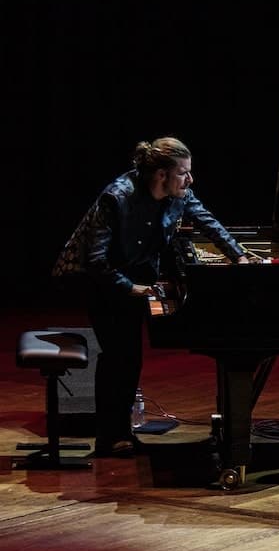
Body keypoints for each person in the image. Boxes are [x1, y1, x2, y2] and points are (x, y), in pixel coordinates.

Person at [52, 137, 254, 457]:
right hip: (103, 282)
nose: (190, 180)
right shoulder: (117, 197)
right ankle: (111, 437)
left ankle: (219, 423)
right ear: (161, 175)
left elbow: (209, 222)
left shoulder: (178, 195)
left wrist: (239, 257)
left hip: (142, 276)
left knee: (154, 343)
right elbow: (95, 262)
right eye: (184, 173)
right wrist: (131, 289)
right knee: (121, 355)